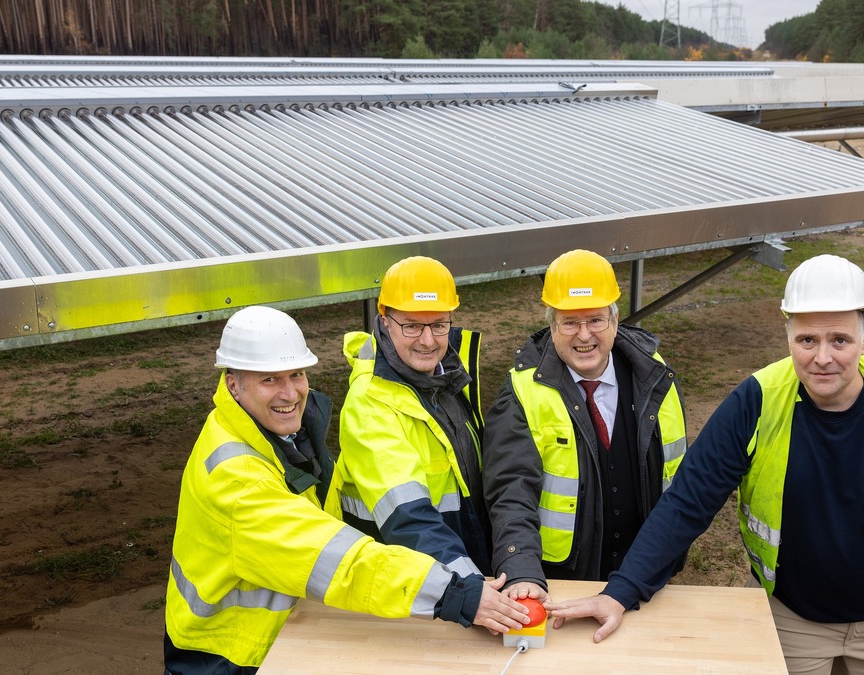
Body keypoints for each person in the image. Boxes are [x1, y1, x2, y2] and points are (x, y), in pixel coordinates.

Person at [546, 254, 864, 675]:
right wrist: (621, 591)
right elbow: (689, 501)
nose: (823, 357)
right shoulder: (757, 401)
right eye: (807, 340)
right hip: (794, 621)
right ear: (788, 335)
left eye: (841, 340)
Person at [164, 305, 529, 675]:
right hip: (230, 657)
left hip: (278, 636)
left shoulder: (266, 432)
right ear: (233, 384)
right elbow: (340, 561)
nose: (290, 393)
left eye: (296, 374)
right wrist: (455, 593)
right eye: (269, 380)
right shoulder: (240, 482)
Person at [482, 248, 689, 604]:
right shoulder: (521, 390)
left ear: (614, 319)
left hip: (647, 575)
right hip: (562, 581)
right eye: (570, 322)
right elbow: (510, 490)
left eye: (595, 320)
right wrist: (521, 568)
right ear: (551, 325)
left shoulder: (655, 376)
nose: (584, 335)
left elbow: (677, 472)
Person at [335, 256, 491, 579]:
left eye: (438, 324)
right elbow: (410, 520)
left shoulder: (447, 375)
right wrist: (472, 586)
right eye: (412, 326)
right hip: (404, 588)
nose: (428, 340)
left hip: (450, 577)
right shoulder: (369, 403)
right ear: (385, 319)